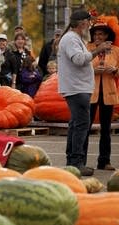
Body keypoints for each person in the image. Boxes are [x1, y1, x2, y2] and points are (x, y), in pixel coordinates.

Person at [57, 9, 112, 176]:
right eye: (88, 22)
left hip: (77, 88)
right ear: (82, 23)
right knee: (81, 126)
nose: (90, 25)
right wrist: (98, 49)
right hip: (77, 88)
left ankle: (72, 162)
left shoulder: (73, 38)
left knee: (76, 125)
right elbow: (79, 59)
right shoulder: (71, 39)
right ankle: (77, 163)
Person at [85, 20, 119, 170]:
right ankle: (81, 161)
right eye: (95, 34)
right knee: (85, 127)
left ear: (107, 36)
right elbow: (80, 68)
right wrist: (93, 71)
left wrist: (114, 71)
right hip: (90, 92)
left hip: (108, 93)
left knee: (106, 129)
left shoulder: (116, 50)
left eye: (101, 34)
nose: (97, 36)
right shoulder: (87, 48)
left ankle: (104, 161)